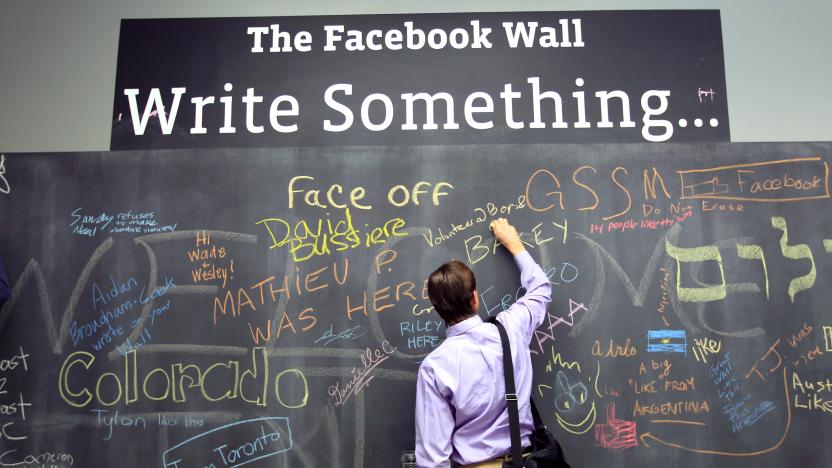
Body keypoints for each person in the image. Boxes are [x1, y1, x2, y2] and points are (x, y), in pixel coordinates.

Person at [415, 218, 552, 468]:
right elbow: (541, 290)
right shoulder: (512, 327)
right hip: (527, 461)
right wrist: (514, 244)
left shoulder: (434, 367)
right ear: (475, 299)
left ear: (438, 310)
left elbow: (433, 460)